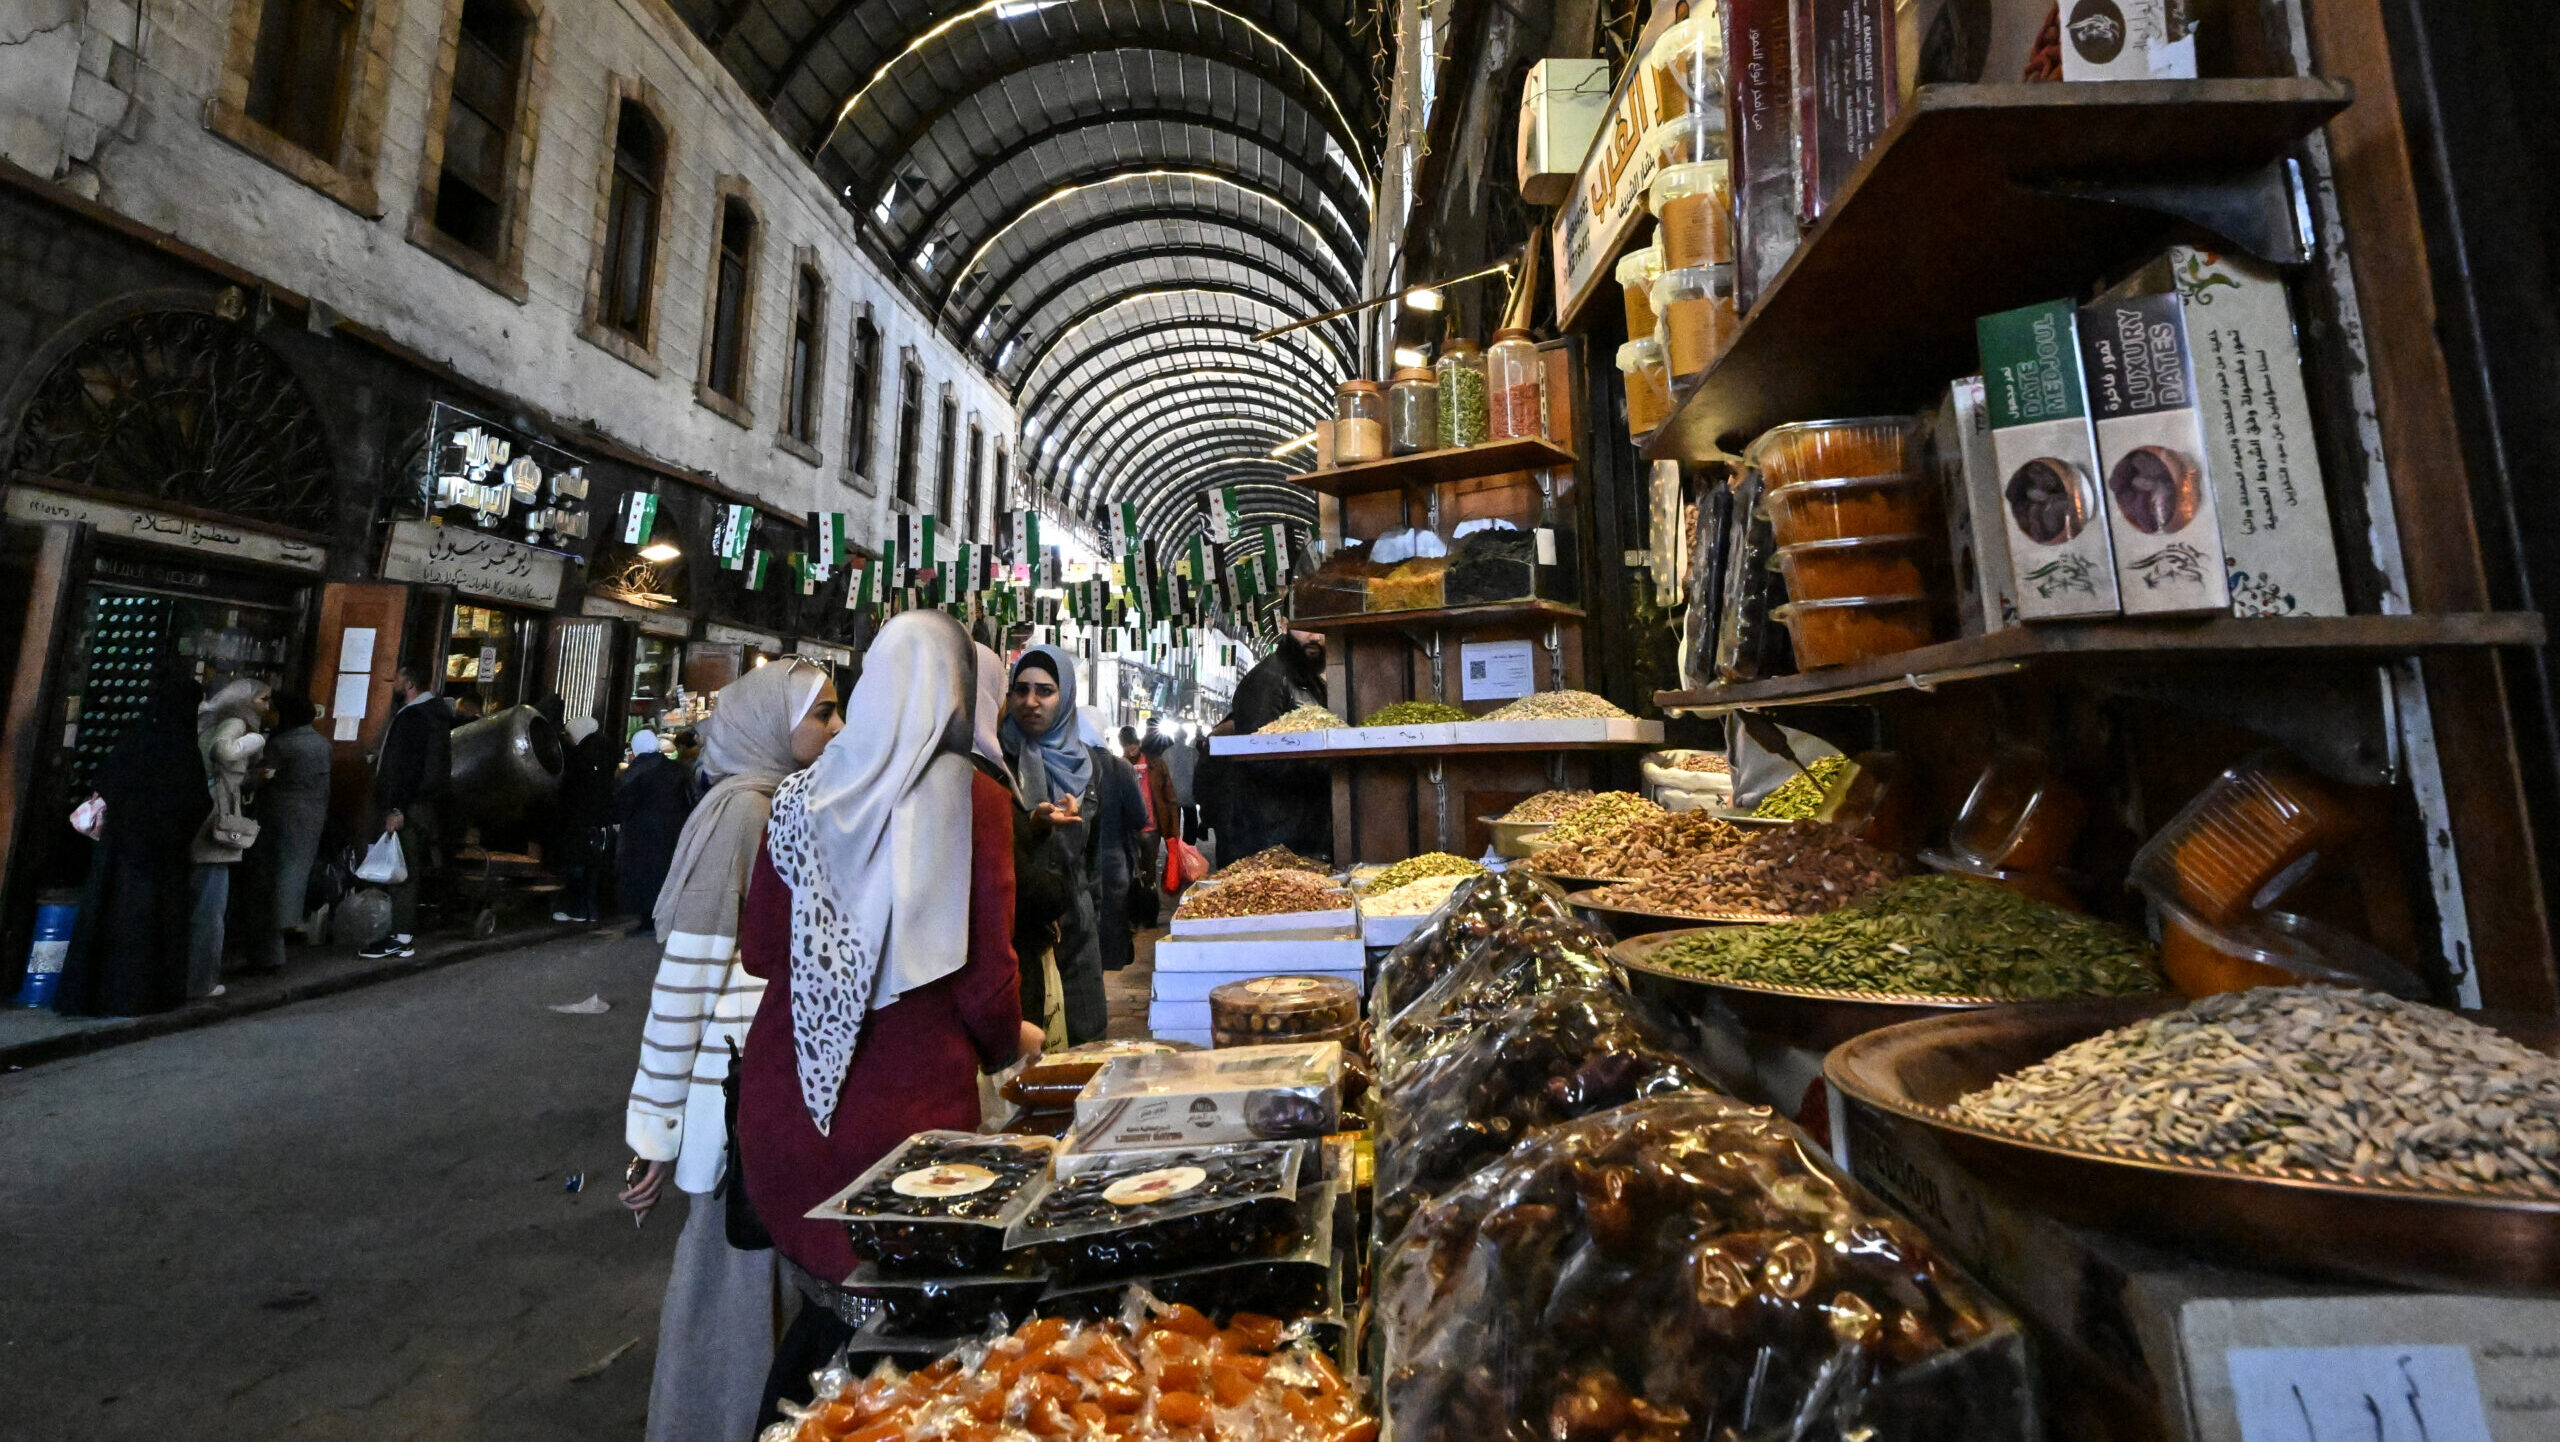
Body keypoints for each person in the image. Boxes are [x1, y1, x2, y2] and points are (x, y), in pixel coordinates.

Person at [736, 612, 1037, 1425]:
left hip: (787, 1099)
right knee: (904, 1351)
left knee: (834, 1323)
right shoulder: (971, 797)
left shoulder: (798, 798)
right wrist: (1015, 1046)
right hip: (905, 1125)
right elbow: (984, 981)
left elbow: (762, 952)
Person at [618, 657, 838, 1442]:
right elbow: (688, 981)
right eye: (822, 715)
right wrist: (654, 1132)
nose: (836, 730)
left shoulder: (783, 803)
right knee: (732, 1288)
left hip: (766, 1095)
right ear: (771, 726)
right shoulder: (744, 815)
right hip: (731, 1102)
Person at [56, 677, 212, 1016]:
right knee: (152, 926)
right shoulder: (182, 749)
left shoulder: (135, 741)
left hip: (118, 850)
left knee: (107, 918)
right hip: (162, 855)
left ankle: (91, 995)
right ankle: (140, 996)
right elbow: (198, 801)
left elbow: (106, 785)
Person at [1000, 645, 1112, 1041]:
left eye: (1045, 691)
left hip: (1075, 931)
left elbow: (1093, 859)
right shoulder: (996, 760)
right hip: (1019, 934)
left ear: (1065, 697)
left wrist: (1092, 922)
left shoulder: (1089, 767)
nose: (1030, 702)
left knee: (1082, 1049)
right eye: (1021, 689)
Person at [1198, 631, 1333, 862]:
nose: (1315, 637)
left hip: (1300, 831)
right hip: (1271, 837)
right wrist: (1325, 765)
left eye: (1321, 629)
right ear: (1285, 625)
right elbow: (1260, 756)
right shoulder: (1267, 680)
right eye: (1305, 628)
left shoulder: (1311, 682)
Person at [363, 663, 453, 960]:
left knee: (401, 871)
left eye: (398, 679)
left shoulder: (414, 718)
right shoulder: (437, 716)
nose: (393, 684)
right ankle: (401, 934)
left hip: (409, 806)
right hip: (425, 806)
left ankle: (400, 937)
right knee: (408, 868)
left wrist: (396, 806)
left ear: (410, 683)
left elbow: (407, 767)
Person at [190, 679, 270, 996]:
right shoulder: (236, 722)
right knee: (210, 909)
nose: (267, 706)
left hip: (199, 814)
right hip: (215, 821)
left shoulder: (206, 721)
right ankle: (202, 980)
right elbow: (223, 752)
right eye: (263, 699)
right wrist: (256, 740)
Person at [242, 692, 330, 973]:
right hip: (311, 819)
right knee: (291, 880)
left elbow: (256, 780)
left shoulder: (281, 745)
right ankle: (282, 940)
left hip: (278, 819)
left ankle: (267, 955)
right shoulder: (322, 744)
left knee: (268, 885)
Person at [612, 730, 693, 927]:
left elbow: (625, 802)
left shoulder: (637, 770)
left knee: (644, 877)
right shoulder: (676, 768)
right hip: (673, 829)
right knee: (665, 874)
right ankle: (664, 917)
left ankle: (648, 920)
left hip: (642, 833)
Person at [551, 717, 618, 923]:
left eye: (570, 735)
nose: (569, 739)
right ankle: (591, 910)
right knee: (593, 868)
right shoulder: (605, 750)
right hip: (599, 821)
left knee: (577, 865)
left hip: (580, 819)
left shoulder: (582, 756)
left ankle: (575, 909)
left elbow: (572, 792)